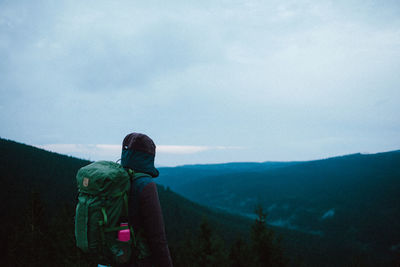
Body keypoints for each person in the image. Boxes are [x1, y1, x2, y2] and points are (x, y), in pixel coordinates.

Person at [118, 132, 173, 267]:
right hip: (136, 260)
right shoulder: (145, 184)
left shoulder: (115, 179)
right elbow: (158, 239)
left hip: (109, 257)